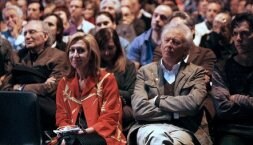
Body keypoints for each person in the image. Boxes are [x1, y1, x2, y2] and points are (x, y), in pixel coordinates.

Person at [127, 22, 207, 145]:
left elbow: (193, 104)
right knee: (158, 139)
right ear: (161, 44)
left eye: (175, 42)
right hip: (149, 126)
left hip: (185, 128)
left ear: (186, 50)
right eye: (167, 40)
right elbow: (138, 110)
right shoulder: (145, 71)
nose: (169, 45)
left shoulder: (197, 72)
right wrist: (176, 113)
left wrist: (157, 101)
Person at [55, 32, 126, 145]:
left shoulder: (107, 79)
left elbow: (110, 118)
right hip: (71, 135)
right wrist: (68, 134)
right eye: (72, 50)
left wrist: (83, 132)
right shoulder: (64, 83)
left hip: (100, 135)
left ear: (91, 54)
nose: (75, 55)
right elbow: (61, 116)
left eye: (81, 50)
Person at [2, 20, 70, 131]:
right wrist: (42, 84)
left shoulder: (59, 57)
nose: (27, 36)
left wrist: (20, 87)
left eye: (32, 32)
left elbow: (52, 89)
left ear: (45, 36)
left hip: (46, 110)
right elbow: (6, 88)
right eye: (25, 33)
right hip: (18, 109)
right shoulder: (18, 56)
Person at [211, 13, 253, 145]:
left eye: (245, 33)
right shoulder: (222, 67)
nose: (238, 39)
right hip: (232, 131)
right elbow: (223, 108)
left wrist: (238, 99)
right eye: (235, 34)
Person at [95, 28, 136, 134]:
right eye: (102, 49)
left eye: (110, 48)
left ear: (117, 46)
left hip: (120, 105)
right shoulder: (92, 66)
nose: (107, 52)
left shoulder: (128, 65)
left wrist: (109, 91)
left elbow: (132, 94)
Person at [127, 4, 173, 69]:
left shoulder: (172, 44)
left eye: (162, 17)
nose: (157, 19)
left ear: (170, 22)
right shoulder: (138, 41)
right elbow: (132, 69)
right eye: (155, 15)